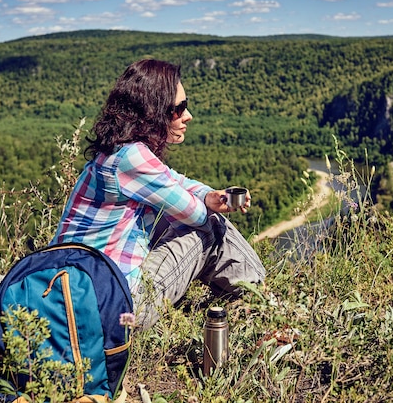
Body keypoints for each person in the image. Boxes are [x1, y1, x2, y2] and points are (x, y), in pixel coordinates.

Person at [50, 59, 265, 329]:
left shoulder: (115, 151)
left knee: (172, 218)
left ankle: (248, 292)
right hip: (121, 310)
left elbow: (173, 180)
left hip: (74, 296)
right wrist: (207, 206)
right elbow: (197, 215)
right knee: (210, 226)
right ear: (153, 112)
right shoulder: (133, 157)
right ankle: (260, 298)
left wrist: (209, 194)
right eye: (180, 108)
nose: (188, 116)